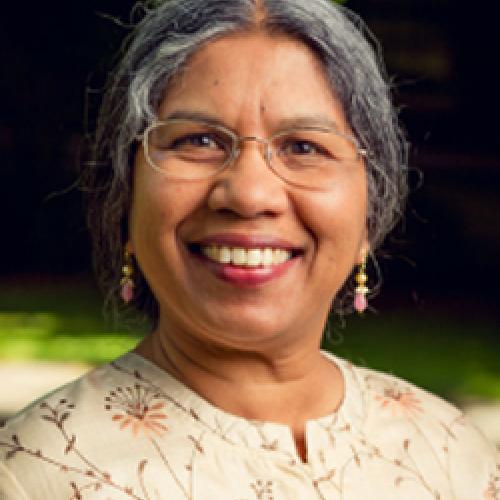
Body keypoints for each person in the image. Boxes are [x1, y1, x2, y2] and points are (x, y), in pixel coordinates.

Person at [1, 0, 498, 498]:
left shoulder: (453, 457)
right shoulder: (37, 473)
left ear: (370, 213)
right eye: (197, 140)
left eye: (304, 147)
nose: (249, 194)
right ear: (124, 198)